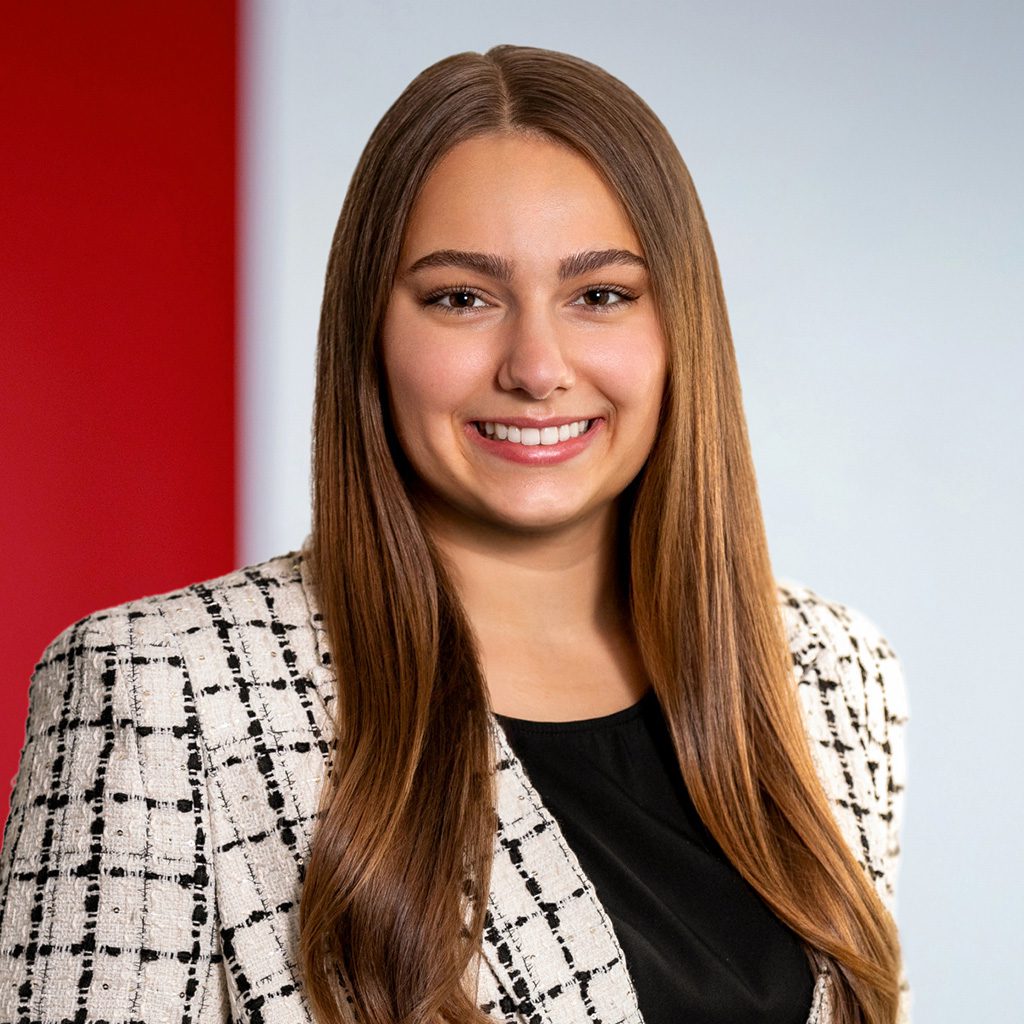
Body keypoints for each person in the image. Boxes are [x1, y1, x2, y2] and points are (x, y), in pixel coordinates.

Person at [0, 44, 909, 1024]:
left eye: (599, 294)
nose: (535, 365)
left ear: (679, 326)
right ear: (371, 332)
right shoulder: (160, 689)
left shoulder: (827, 671)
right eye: (461, 297)